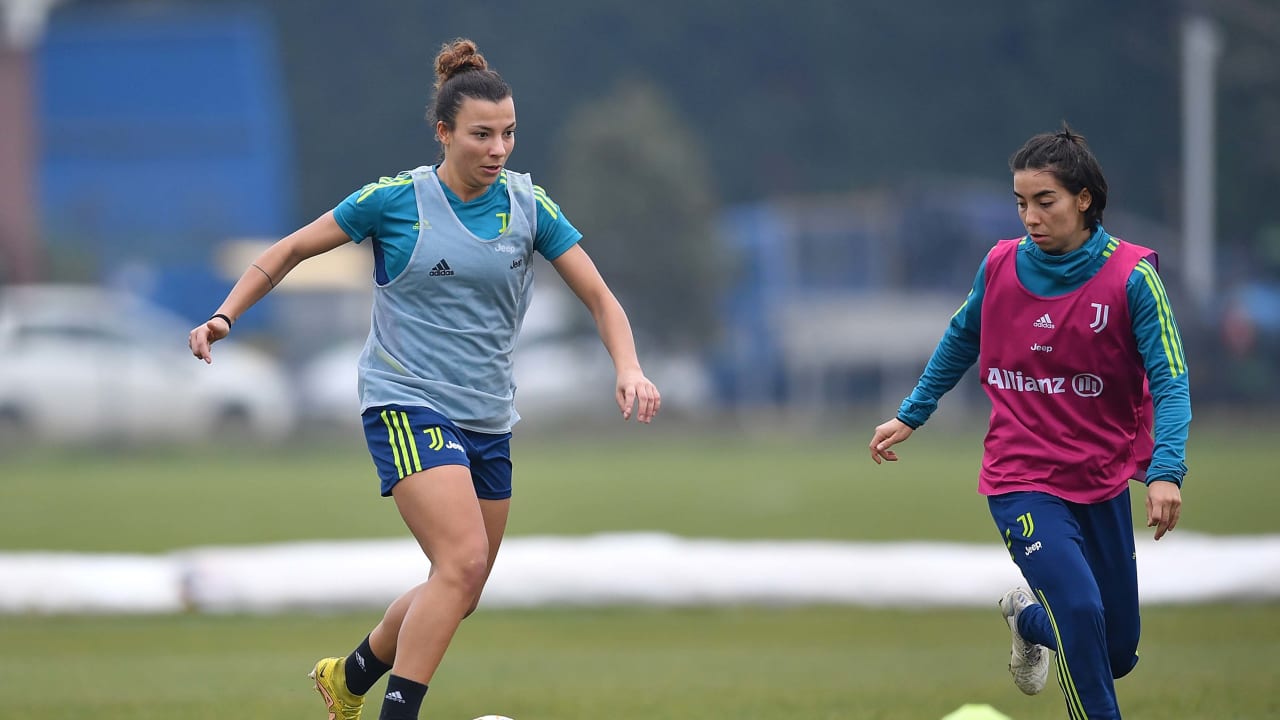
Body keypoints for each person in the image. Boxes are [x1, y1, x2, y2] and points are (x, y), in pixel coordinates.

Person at [188, 38, 661, 720]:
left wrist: (629, 365)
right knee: (463, 562)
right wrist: (225, 315)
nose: (498, 149)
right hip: (405, 403)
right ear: (444, 133)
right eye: (481, 135)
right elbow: (288, 250)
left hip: (488, 417)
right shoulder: (394, 202)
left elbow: (600, 297)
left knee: (458, 587)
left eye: (508, 134)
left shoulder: (529, 207)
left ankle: (349, 678)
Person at [867, 124, 1190, 719]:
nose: (1031, 217)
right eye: (1021, 203)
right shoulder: (1000, 268)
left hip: (1100, 478)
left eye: (1045, 202)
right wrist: (912, 413)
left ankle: (1025, 616)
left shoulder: (1133, 278)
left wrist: (1167, 470)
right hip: (1021, 478)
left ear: (1083, 199)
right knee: (1080, 615)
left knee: (1115, 649)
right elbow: (961, 338)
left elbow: (1170, 378)